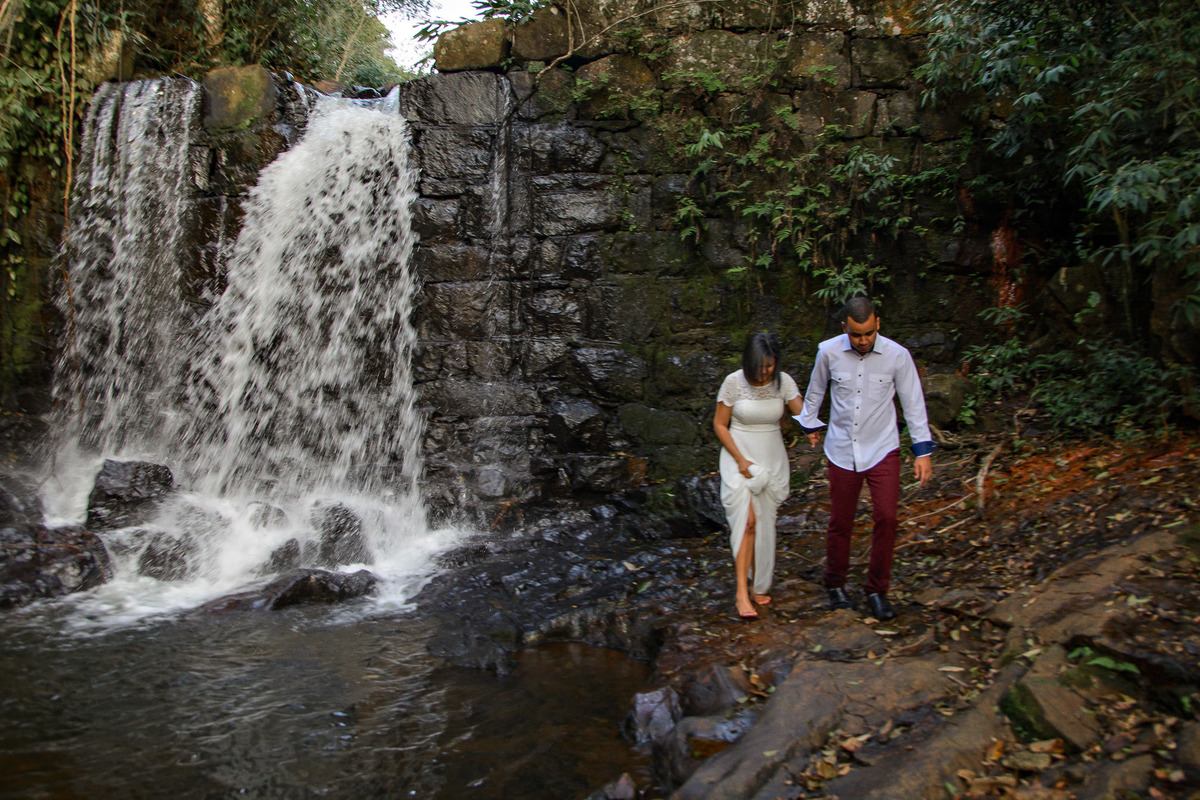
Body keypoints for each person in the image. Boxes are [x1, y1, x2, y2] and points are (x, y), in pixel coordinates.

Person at [797, 297, 933, 621]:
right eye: (857, 334)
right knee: (841, 522)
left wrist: (923, 451)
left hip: (883, 448)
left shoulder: (898, 356)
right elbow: (815, 390)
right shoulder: (828, 352)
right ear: (845, 327)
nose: (863, 340)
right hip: (842, 449)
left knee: (887, 518)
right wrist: (809, 423)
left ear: (878, 324)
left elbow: (913, 403)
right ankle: (836, 585)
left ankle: (876, 591)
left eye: (869, 333)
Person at [713, 333, 805, 619]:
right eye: (760, 367)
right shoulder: (733, 382)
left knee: (765, 522)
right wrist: (741, 461)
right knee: (747, 522)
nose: (765, 372)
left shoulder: (783, 381)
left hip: (771, 454)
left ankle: (759, 585)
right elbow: (719, 424)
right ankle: (742, 592)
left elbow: (802, 414)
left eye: (770, 366)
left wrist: (812, 430)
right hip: (739, 454)